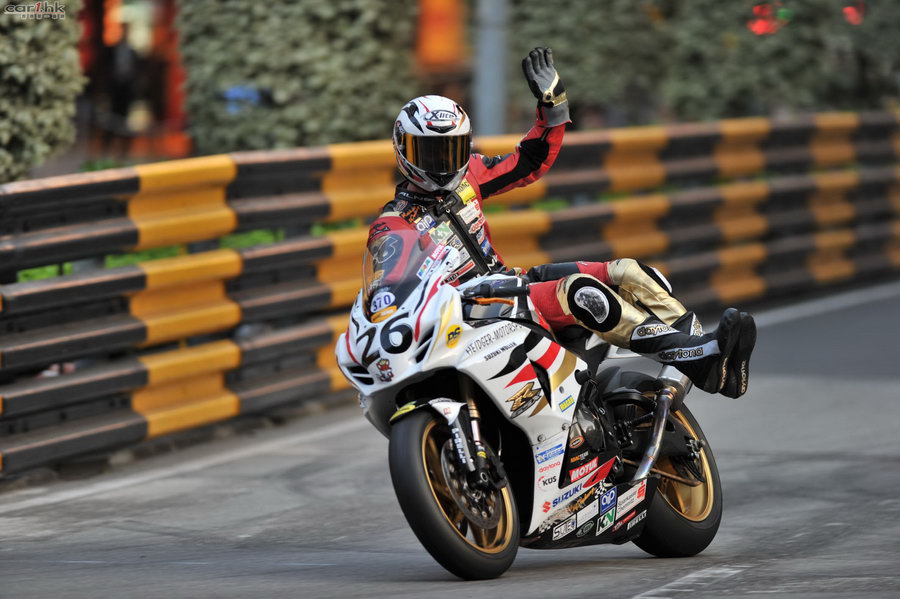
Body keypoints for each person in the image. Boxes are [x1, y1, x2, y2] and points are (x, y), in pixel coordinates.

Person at [367, 47, 756, 398]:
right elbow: (387, 296)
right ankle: (695, 358)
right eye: (429, 152)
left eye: (450, 150)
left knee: (629, 272)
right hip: (471, 312)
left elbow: (529, 161)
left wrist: (552, 107)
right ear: (402, 149)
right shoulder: (394, 224)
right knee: (579, 291)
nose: (442, 163)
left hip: (511, 283)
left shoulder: (471, 175)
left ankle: (708, 362)